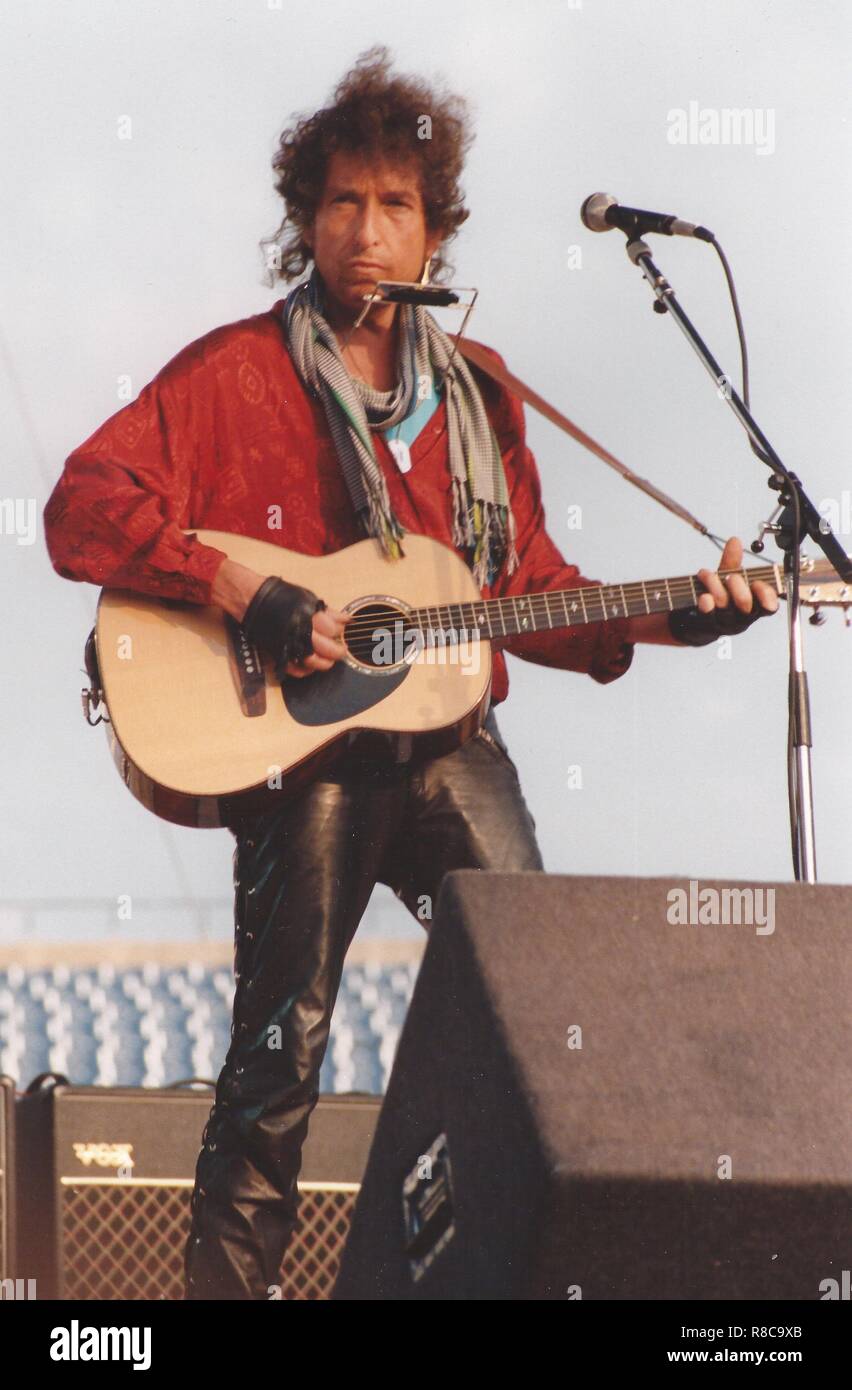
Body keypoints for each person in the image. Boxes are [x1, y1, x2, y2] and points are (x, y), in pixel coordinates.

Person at [42, 47, 778, 1300]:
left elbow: (530, 589)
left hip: (448, 746)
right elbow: (81, 504)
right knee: (280, 1067)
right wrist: (249, 591)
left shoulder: (484, 397)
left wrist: (684, 621)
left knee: (536, 1023)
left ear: (437, 230)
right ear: (305, 221)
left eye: (397, 204)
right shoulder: (234, 375)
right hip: (302, 757)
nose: (369, 230)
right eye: (343, 202)